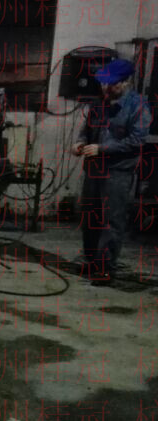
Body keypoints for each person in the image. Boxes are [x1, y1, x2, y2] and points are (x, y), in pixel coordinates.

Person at [71, 57, 152, 285]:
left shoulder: (138, 106)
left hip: (117, 172)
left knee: (111, 221)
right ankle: (91, 261)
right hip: (94, 170)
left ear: (126, 82)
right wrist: (80, 143)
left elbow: (137, 140)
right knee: (90, 217)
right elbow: (86, 130)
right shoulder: (98, 104)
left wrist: (102, 148)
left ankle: (105, 268)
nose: (106, 88)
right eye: (104, 83)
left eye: (112, 83)